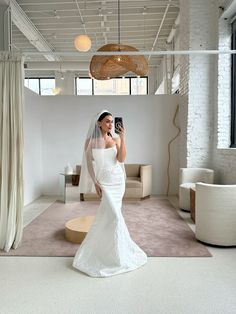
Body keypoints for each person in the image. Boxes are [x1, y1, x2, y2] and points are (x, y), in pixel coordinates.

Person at [72, 110, 147, 277]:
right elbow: (88, 164)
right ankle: (103, 251)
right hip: (104, 183)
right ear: (98, 123)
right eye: (107, 121)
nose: (110, 124)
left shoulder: (116, 139)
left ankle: (117, 252)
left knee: (113, 215)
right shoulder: (90, 141)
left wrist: (124, 138)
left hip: (117, 181)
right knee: (111, 215)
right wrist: (95, 182)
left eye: (112, 122)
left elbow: (121, 160)